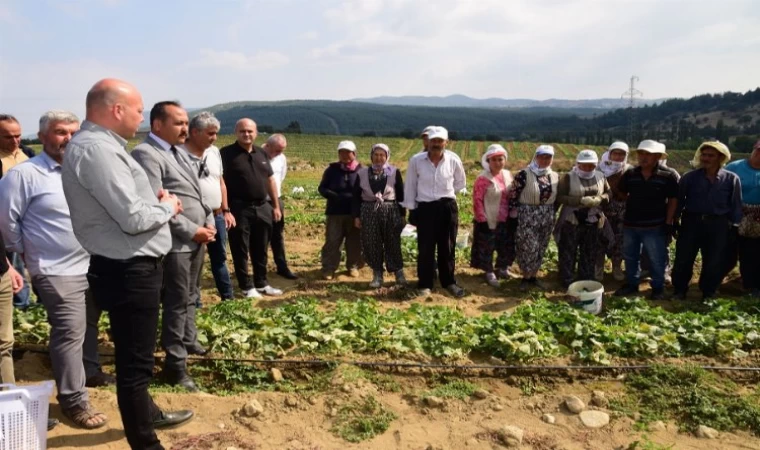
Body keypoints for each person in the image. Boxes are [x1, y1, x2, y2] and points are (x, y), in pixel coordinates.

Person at [62, 78, 193, 450]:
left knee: (134, 359)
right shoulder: (97, 151)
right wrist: (168, 207)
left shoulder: (103, 147)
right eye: (138, 109)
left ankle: (147, 415)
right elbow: (132, 218)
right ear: (117, 109)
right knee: (134, 370)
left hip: (127, 266)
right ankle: (146, 444)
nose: (141, 116)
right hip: (129, 270)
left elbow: (127, 204)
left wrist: (155, 200)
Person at [0, 110, 116, 428]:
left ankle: (88, 373)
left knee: (87, 327)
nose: (69, 138)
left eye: (74, 132)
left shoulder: (84, 172)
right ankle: (73, 401)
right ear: (43, 136)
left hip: (94, 264)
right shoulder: (24, 175)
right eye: (61, 132)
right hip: (55, 269)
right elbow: (7, 225)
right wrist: (29, 253)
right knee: (68, 332)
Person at [132, 101, 214, 392]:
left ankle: (189, 341)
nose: (185, 128)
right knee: (177, 304)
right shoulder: (147, 154)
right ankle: (175, 367)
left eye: (186, 122)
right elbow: (156, 204)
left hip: (196, 239)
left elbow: (195, 195)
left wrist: (207, 220)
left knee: (191, 295)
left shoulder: (177, 152)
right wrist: (193, 231)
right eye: (179, 123)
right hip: (176, 243)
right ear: (157, 125)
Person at [671, 141, 742, 301]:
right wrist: (675, 220)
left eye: (711, 155)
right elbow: (679, 200)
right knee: (684, 257)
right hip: (692, 222)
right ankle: (680, 290)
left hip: (718, 224)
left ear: (720, 158)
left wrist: (734, 227)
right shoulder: (689, 178)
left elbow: (735, 205)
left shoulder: (731, 179)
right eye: (704, 154)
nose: (706, 158)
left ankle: (708, 291)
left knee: (714, 260)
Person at [221, 118, 283, 298]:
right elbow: (220, 182)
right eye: (243, 131)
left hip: (263, 207)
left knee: (261, 247)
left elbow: (271, 180)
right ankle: (246, 287)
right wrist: (225, 209)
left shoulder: (261, 154)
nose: (246, 134)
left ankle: (262, 283)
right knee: (240, 248)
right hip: (239, 208)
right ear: (236, 132)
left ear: (256, 133)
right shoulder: (225, 154)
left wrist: (275, 206)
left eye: (250, 131)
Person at [404, 126, 467, 298]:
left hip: (447, 207)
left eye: (440, 141)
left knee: (447, 246)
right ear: (428, 142)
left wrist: (444, 195)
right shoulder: (416, 160)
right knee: (425, 248)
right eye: (433, 141)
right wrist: (412, 209)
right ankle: (425, 284)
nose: (436, 144)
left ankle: (449, 282)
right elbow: (410, 186)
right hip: (425, 208)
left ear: (446, 142)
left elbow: (460, 182)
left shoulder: (453, 160)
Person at [613, 140, 678, 300]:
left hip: (655, 225)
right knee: (630, 256)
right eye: (641, 153)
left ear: (657, 157)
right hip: (631, 224)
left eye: (648, 154)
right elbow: (621, 193)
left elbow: (673, 200)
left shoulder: (667, 175)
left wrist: (669, 221)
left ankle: (658, 287)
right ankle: (632, 283)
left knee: (657, 258)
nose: (643, 157)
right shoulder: (630, 174)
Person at [181, 111, 235, 303]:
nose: (214, 138)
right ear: (194, 132)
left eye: (216, 134)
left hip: (216, 215)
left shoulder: (214, 152)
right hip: (191, 217)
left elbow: (220, 182)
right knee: (193, 261)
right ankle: (193, 302)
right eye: (210, 133)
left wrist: (226, 210)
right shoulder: (179, 154)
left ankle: (227, 298)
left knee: (219, 258)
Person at [554, 149, 611, 289]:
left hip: (592, 220)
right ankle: (566, 278)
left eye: (591, 165)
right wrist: (579, 200)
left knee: (589, 250)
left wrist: (600, 198)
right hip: (572, 219)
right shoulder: (568, 177)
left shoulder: (601, 176)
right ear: (577, 164)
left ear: (596, 165)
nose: (587, 168)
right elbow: (560, 197)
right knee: (568, 250)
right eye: (584, 165)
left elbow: (609, 193)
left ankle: (586, 277)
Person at [352, 143, 406, 288]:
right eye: (376, 155)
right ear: (371, 156)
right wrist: (356, 216)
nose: (378, 158)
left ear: (387, 156)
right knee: (371, 243)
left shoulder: (393, 172)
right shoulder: (362, 173)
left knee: (393, 242)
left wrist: (402, 215)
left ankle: (398, 273)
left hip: (390, 210)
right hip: (368, 211)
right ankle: (377, 274)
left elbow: (400, 195)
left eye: (382, 155)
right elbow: (356, 197)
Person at [509, 145, 559, 291]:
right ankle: (526, 276)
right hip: (527, 214)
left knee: (541, 246)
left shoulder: (554, 176)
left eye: (548, 157)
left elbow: (556, 197)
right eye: (542, 156)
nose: (545, 160)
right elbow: (513, 194)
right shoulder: (524, 174)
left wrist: (552, 212)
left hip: (547, 215)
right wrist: (513, 214)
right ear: (536, 157)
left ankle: (533, 276)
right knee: (528, 246)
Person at [0, 114, 34, 308]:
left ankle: (26, 302)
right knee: (11, 264)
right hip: (6, 220)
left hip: (29, 219)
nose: (15, 140)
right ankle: (20, 305)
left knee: (29, 263)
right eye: (8, 136)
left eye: (18, 135)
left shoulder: (27, 154)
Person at [470, 144, 515, 287]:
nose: (497, 163)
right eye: (494, 160)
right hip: (489, 218)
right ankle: (489, 272)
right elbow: (477, 200)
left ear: (505, 160)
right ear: (488, 161)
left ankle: (502, 269)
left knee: (505, 245)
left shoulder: (507, 174)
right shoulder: (483, 178)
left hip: (505, 218)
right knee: (487, 246)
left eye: (500, 159)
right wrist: (481, 220)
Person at [318, 140, 364, 280]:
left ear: (354, 154)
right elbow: (322, 188)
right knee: (333, 241)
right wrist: (332, 195)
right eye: (341, 152)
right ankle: (329, 268)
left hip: (354, 213)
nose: (344, 155)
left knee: (354, 241)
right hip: (335, 213)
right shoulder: (331, 170)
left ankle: (353, 266)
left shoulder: (362, 171)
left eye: (347, 152)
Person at [725, 139, 760, 298]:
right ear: (753, 149)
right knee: (729, 250)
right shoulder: (735, 167)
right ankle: (714, 280)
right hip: (736, 215)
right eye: (759, 151)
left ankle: (750, 284)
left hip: (757, 219)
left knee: (752, 251)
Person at [595, 141, 631, 281]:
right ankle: (598, 268)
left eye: (622, 154)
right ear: (609, 154)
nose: (618, 156)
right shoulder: (599, 169)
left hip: (622, 211)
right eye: (615, 153)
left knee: (619, 239)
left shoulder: (629, 170)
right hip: (603, 209)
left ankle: (616, 267)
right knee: (600, 238)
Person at [263, 134, 297, 280]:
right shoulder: (257, 155)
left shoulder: (281, 158)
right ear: (267, 145)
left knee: (277, 236)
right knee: (261, 237)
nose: (278, 154)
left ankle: (282, 267)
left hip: (276, 200)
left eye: (281, 151)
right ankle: (260, 270)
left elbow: (280, 177)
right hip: (260, 202)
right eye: (277, 150)